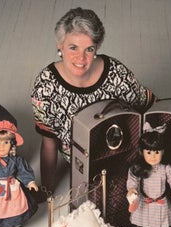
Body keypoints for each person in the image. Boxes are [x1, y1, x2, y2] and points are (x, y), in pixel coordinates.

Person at [31, 7, 155, 193]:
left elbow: (150, 105)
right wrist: (46, 189)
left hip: (123, 158)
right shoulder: (45, 86)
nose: (81, 58)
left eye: (89, 49)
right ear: (60, 46)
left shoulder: (116, 73)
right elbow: (49, 142)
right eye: (73, 47)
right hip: (82, 168)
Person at [126, 127, 171, 227]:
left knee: (159, 226)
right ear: (142, 152)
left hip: (160, 202)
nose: (153, 157)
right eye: (149, 153)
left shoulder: (165, 168)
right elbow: (133, 179)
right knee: (143, 224)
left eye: (157, 153)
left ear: (163, 152)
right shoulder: (140, 167)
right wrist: (131, 189)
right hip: (144, 201)